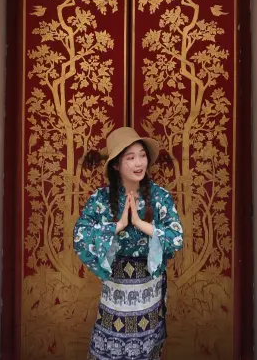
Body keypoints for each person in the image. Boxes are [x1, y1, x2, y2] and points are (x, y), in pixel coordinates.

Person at [74, 126, 184, 360]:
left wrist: (140, 223)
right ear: (116, 165)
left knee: (146, 350)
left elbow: (176, 238)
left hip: (148, 292)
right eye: (131, 157)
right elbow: (80, 237)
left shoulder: (159, 196)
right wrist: (118, 225)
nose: (139, 163)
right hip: (115, 293)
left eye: (142, 156)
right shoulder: (101, 199)